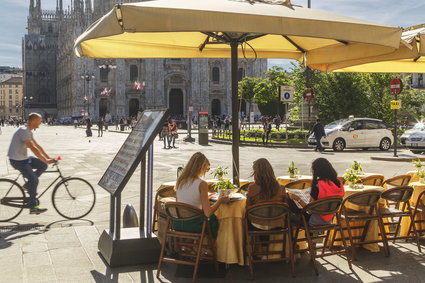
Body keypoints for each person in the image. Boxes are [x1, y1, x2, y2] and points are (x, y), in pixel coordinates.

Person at [7, 113, 55, 214]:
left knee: (43, 165)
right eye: (39, 121)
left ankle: (28, 185)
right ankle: (33, 206)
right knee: (34, 180)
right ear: (33, 121)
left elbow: (37, 146)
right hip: (17, 160)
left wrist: (48, 158)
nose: (41, 123)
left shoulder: (28, 131)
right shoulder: (24, 131)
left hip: (23, 158)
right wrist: (46, 159)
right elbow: (33, 148)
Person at [173, 152, 229, 238]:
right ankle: (211, 248)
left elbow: (183, 201)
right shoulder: (201, 184)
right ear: (201, 167)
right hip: (193, 225)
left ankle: (191, 247)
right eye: (207, 168)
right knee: (214, 220)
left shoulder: (180, 181)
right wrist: (220, 200)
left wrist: (204, 197)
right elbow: (208, 213)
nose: (206, 171)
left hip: (177, 222)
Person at [287, 158, 344, 226]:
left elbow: (309, 210)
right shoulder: (339, 184)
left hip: (313, 220)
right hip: (329, 220)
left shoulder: (318, 186)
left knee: (288, 214)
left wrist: (297, 198)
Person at [246, 158, 286, 229]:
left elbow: (247, 206)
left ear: (256, 173)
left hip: (257, 224)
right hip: (277, 224)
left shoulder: (252, 188)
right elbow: (285, 207)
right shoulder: (281, 188)